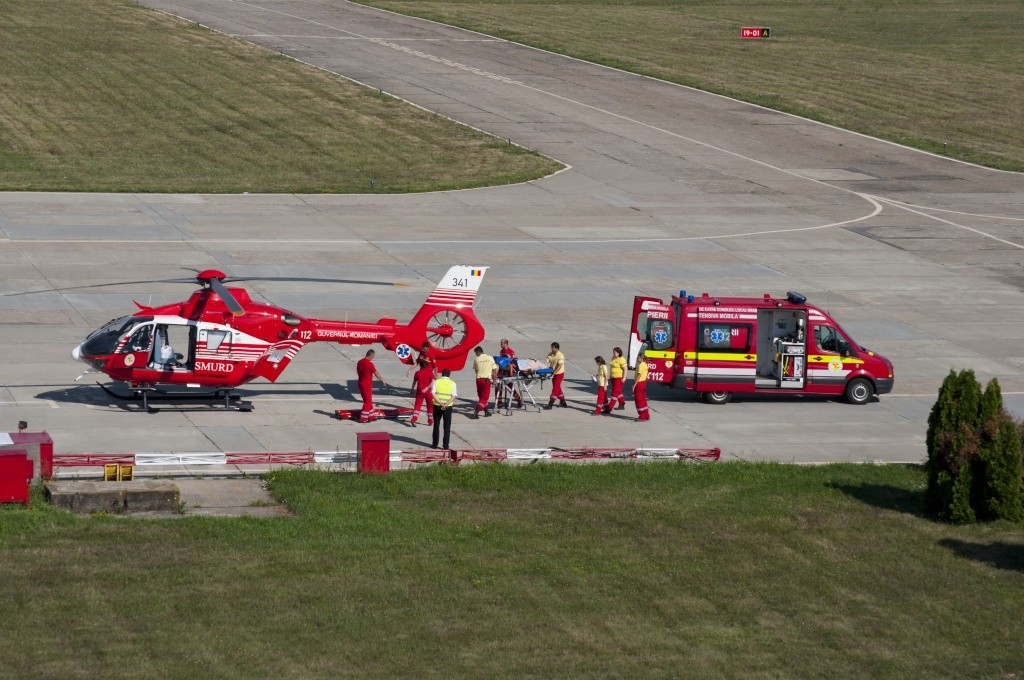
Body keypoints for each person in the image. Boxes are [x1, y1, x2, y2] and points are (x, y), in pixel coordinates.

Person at [356, 349, 387, 422]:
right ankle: (363, 418)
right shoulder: (369, 364)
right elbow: (376, 373)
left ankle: (371, 416)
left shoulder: (360, 362)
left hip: (360, 383)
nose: (373, 358)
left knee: (368, 401)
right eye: (373, 356)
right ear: (371, 355)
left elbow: (357, 371)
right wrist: (382, 380)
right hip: (367, 384)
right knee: (367, 402)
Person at [431, 369, 457, 450]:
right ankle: (446, 446)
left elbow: (433, 393)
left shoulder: (436, 382)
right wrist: (445, 404)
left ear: (442, 374)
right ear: (449, 375)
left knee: (436, 425)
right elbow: (454, 396)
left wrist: (440, 403)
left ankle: (435, 444)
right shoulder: (453, 383)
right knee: (447, 426)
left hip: (437, 405)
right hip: (448, 407)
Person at [472, 346, 497, 418]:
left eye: (476, 353)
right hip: (486, 380)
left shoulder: (476, 359)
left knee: (481, 396)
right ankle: (476, 412)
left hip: (478, 380)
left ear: (478, 352)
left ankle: (486, 411)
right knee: (485, 397)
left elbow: (476, 370)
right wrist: (494, 380)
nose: (476, 355)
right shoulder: (490, 358)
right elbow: (494, 370)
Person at [409, 358, 434, 427]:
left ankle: (414, 419)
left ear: (420, 366)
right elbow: (432, 381)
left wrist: (412, 389)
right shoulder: (430, 372)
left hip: (419, 391)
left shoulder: (417, 373)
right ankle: (430, 421)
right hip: (428, 392)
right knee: (429, 406)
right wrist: (427, 388)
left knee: (417, 406)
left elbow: (414, 382)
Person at [545, 342, 567, 408]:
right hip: (553, 373)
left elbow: (560, 365)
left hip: (559, 374)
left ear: (557, 348)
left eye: (553, 348)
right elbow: (546, 362)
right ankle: (563, 402)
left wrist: (554, 372)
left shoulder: (560, 355)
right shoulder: (550, 354)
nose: (551, 349)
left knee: (555, 389)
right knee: (557, 388)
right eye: (551, 348)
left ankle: (550, 403)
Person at [633, 350, 650, 422]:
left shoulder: (640, 365)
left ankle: (641, 416)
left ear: (640, 358)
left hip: (639, 384)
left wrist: (634, 385)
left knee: (638, 400)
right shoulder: (645, 364)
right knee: (643, 399)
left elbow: (639, 375)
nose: (637, 359)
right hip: (643, 383)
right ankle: (646, 415)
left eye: (637, 358)